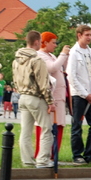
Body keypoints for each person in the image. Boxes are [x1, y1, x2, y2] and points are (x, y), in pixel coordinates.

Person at [12, 30, 56, 168]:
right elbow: (43, 83)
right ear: (37, 42)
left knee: (25, 130)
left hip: (22, 96)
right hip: (35, 97)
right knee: (45, 129)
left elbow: (15, 80)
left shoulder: (16, 60)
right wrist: (50, 102)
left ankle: (27, 160)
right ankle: (43, 160)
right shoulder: (37, 60)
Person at [66, 25, 91, 165]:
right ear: (79, 35)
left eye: (90, 35)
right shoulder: (74, 53)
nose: (89, 37)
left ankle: (89, 153)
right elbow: (72, 76)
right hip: (78, 95)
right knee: (77, 125)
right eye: (87, 35)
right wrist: (84, 93)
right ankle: (77, 154)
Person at [35, 31, 70, 160]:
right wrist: (63, 54)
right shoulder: (41, 56)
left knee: (59, 125)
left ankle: (54, 154)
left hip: (59, 97)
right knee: (47, 126)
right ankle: (44, 154)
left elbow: (63, 67)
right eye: (53, 43)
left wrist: (66, 57)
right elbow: (52, 68)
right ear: (45, 43)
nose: (55, 45)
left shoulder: (52, 55)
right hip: (50, 97)